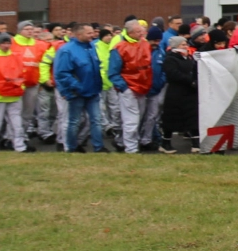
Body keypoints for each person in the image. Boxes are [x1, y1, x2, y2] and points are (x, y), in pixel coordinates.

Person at [106, 18, 159, 154]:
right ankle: (131, 148)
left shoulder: (144, 44)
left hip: (142, 87)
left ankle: (124, 142)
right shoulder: (119, 47)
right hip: (129, 87)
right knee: (132, 120)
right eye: (138, 31)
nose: (142, 33)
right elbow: (113, 71)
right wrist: (124, 88)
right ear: (130, 32)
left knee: (137, 118)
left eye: (142, 31)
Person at [54, 23, 105, 153]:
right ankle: (72, 148)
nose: (92, 35)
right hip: (77, 93)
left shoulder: (91, 47)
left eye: (92, 32)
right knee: (74, 122)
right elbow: (62, 73)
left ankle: (98, 147)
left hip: (93, 91)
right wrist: (76, 87)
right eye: (89, 33)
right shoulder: (67, 50)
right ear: (79, 34)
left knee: (96, 120)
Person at [158, 34, 201, 153]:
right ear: (176, 46)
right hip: (175, 93)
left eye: (186, 44)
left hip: (189, 93)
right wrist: (189, 80)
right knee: (171, 119)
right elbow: (173, 73)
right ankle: (165, 143)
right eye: (183, 44)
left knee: (192, 117)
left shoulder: (190, 58)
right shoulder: (170, 59)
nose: (186, 46)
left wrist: (195, 81)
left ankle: (196, 143)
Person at [0, 34, 28, 152]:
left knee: (15, 122)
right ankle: (18, 145)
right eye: (3, 43)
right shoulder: (15, 57)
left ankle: (19, 145)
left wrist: (21, 86)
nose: (6, 45)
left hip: (13, 93)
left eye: (8, 43)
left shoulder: (16, 56)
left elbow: (22, 74)